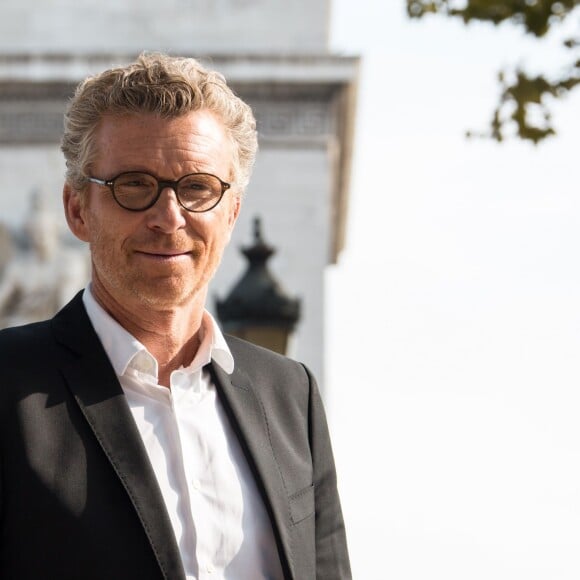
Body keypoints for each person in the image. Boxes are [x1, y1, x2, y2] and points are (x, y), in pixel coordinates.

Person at [0, 53, 351, 579]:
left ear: (231, 212)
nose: (169, 217)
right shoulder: (8, 386)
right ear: (77, 211)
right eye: (134, 186)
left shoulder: (290, 396)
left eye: (198, 188)